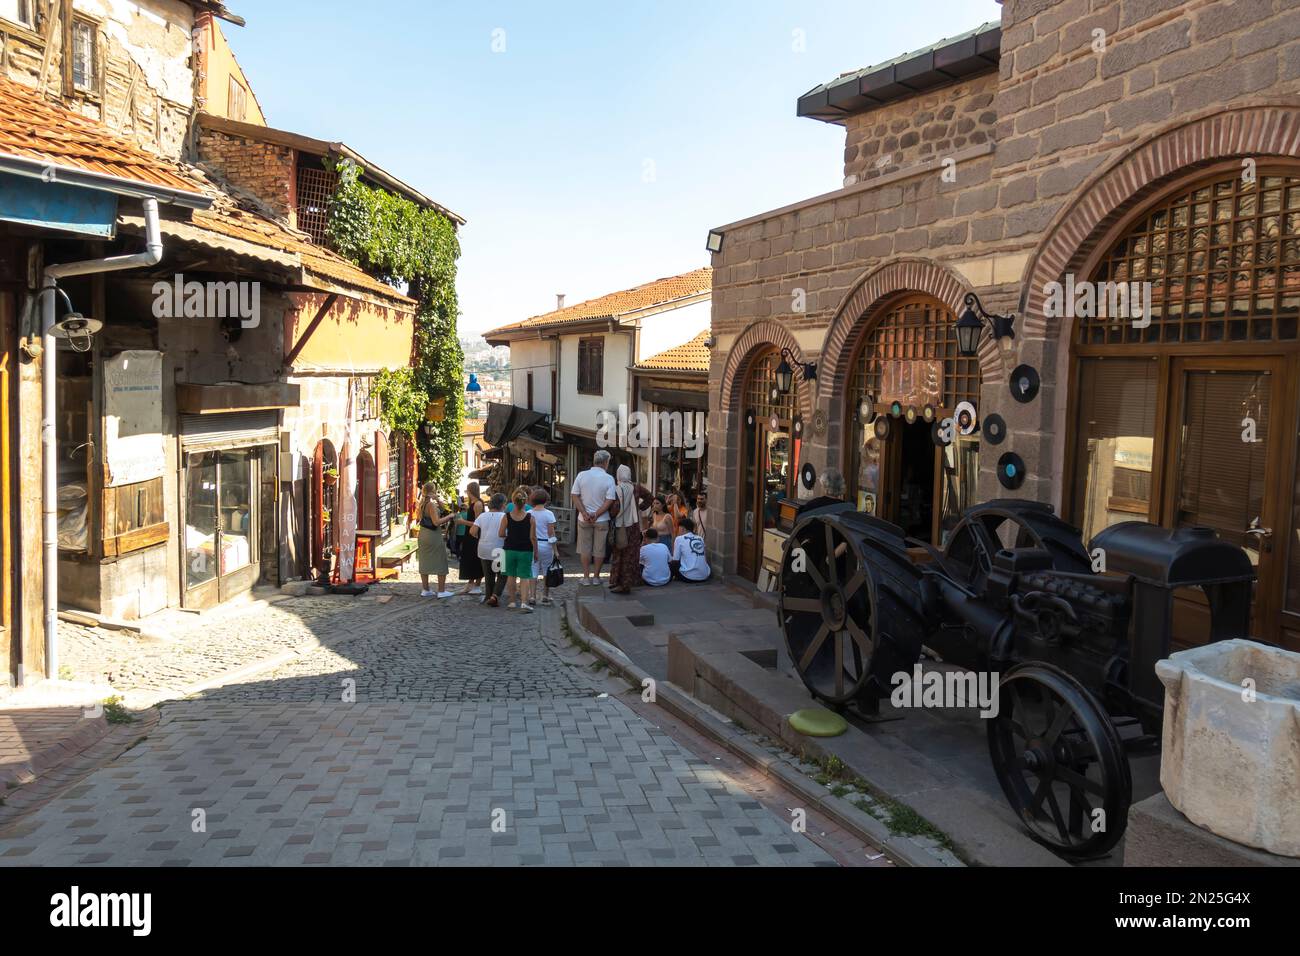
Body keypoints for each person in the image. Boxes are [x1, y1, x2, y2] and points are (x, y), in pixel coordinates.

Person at [570, 449, 616, 586]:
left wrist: (584, 513)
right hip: (601, 519)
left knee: (585, 548)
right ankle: (596, 577)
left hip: (583, 519)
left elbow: (574, 495)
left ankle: (585, 577)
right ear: (606, 462)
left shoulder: (582, 475)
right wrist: (596, 514)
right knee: (599, 548)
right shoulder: (609, 478)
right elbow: (610, 500)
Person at [498, 485, 536, 612]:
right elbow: (533, 538)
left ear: (513, 501)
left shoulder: (506, 516)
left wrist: (510, 534)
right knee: (525, 577)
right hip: (525, 550)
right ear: (526, 502)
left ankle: (512, 602)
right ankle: (524, 603)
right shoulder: (531, 518)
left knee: (510, 576)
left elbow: (501, 533)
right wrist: (536, 552)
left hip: (509, 549)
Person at [415, 482, 456, 598]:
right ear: (433, 490)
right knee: (441, 561)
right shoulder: (431, 505)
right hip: (433, 535)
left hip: (423, 534)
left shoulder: (422, 502)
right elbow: (436, 522)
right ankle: (441, 591)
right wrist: (450, 516)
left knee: (424, 561)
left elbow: (442, 508)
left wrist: (437, 499)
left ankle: (425, 589)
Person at [607, 464, 643, 594]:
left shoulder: (616, 489)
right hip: (634, 525)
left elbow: (615, 509)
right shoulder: (637, 488)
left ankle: (618, 582)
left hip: (620, 526)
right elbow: (650, 498)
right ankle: (625, 582)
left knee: (618, 554)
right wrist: (639, 508)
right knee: (630, 555)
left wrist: (610, 515)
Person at [472, 493, 508, 607]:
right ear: (502, 504)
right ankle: (495, 595)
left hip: (483, 548)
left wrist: (482, 538)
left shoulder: (482, 516)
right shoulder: (505, 516)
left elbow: (472, 531)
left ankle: (488, 596)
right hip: (499, 548)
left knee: (489, 575)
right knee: (502, 574)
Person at [452, 482, 485, 596]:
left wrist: (462, 522)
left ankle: (477, 585)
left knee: (475, 559)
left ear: (470, 491)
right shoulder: (473, 503)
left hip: (475, 536)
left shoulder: (478, 504)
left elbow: (478, 523)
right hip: (469, 535)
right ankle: (471, 583)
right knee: (469, 559)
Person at [529, 488, 559, 607]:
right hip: (546, 545)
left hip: (533, 544)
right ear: (546, 500)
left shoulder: (529, 514)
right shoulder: (549, 514)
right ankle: (545, 595)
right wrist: (555, 550)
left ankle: (532, 596)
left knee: (533, 570)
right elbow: (551, 533)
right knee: (547, 571)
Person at [670, 516, 710, 583]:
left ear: (683, 529)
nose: (678, 530)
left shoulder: (679, 539)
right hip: (705, 575)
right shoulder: (700, 538)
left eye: (679, 528)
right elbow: (705, 558)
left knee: (672, 564)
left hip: (689, 577)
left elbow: (675, 560)